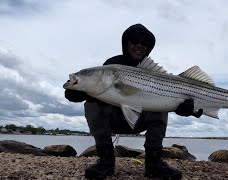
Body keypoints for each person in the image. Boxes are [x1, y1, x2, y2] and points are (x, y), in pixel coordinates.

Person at [65, 23, 202, 179]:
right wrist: (77, 91)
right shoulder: (112, 65)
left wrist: (185, 108)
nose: (139, 45)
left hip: (141, 120)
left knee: (160, 104)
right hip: (115, 121)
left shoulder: (151, 71)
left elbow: (175, 99)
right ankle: (106, 161)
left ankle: (154, 163)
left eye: (145, 43)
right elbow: (80, 92)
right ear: (126, 43)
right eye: (135, 40)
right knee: (91, 103)